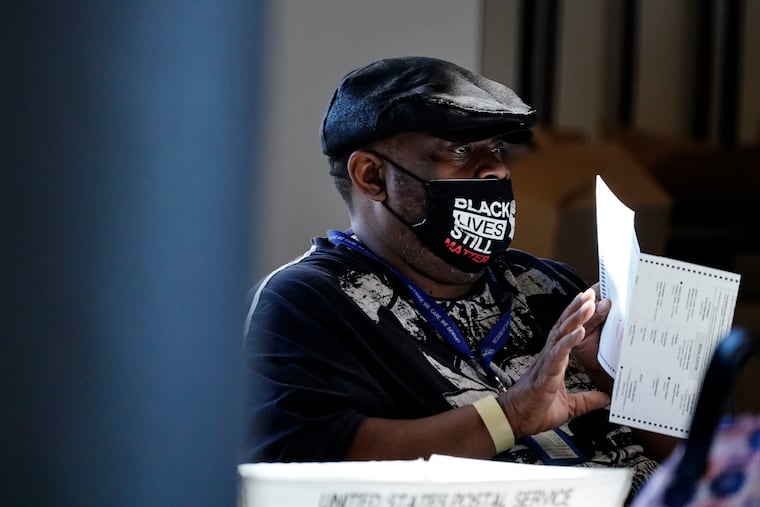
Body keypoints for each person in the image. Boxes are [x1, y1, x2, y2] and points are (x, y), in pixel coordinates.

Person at [241, 56, 675, 501]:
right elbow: (309, 470)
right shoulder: (310, 302)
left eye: (498, 150)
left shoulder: (549, 284)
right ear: (372, 176)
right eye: (462, 151)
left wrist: (618, 376)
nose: (496, 171)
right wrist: (508, 416)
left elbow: (702, 460)